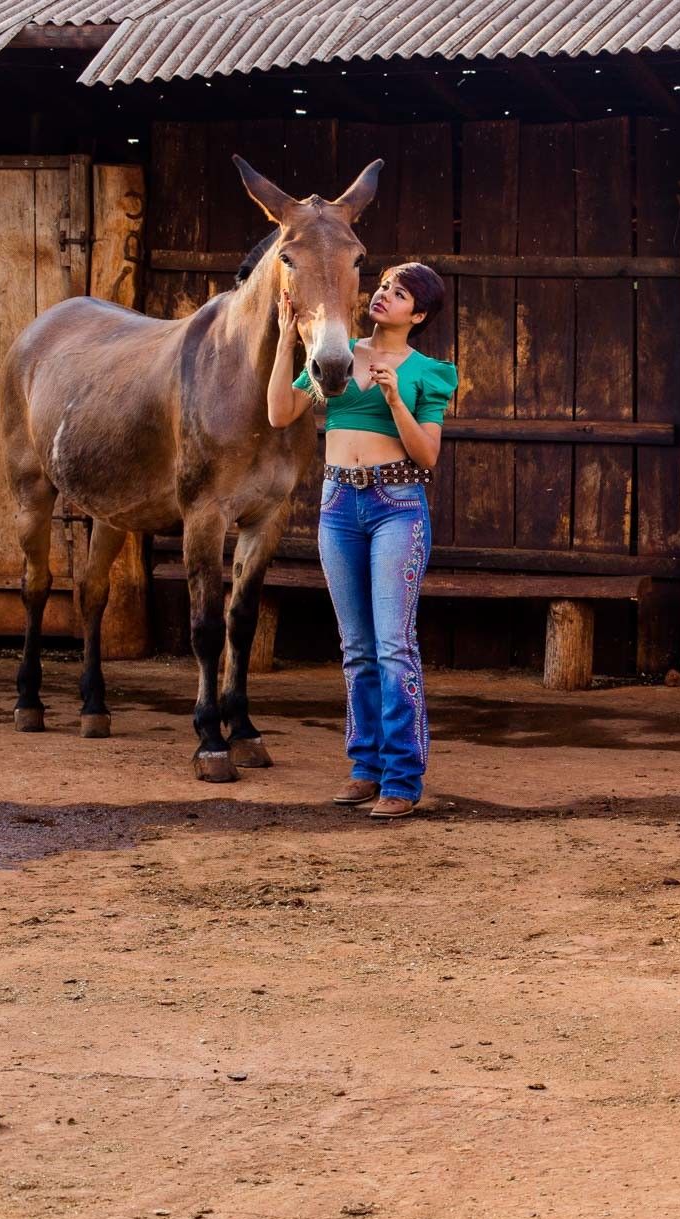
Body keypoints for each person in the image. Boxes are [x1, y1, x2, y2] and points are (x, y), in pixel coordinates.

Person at [267, 263, 456, 818]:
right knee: (356, 649)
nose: (383, 296)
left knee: (394, 645)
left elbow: (427, 456)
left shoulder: (430, 372)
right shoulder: (338, 355)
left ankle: (401, 778)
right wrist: (285, 339)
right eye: (383, 287)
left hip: (397, 508)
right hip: (337, 506)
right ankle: (364, 769)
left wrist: (396, 400)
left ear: (417, 315)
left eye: (399, 294)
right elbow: (281, 413)